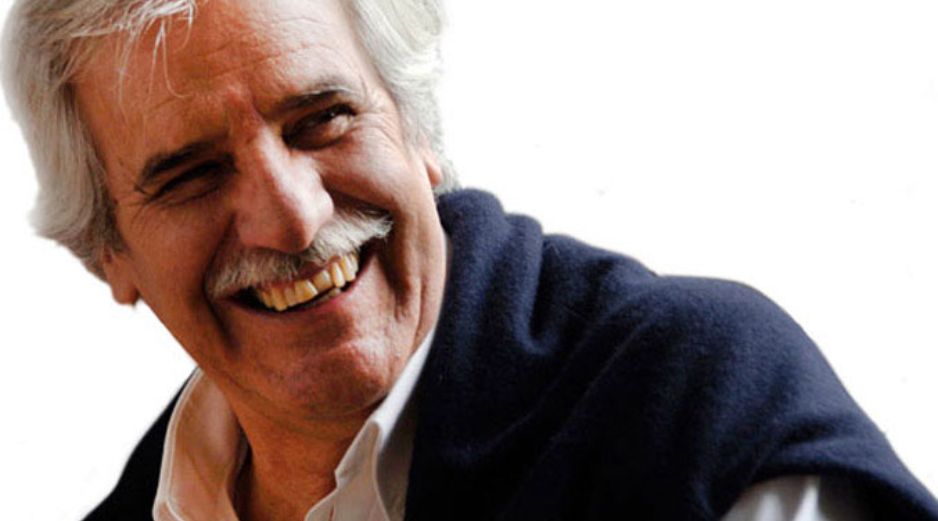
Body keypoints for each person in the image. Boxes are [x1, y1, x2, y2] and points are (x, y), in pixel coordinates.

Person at [2, 0, 937, 520]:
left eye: (323, 119)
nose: (292, 217)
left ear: (418, 133)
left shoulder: (699, 408)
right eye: (193, 175)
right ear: (109, 254)